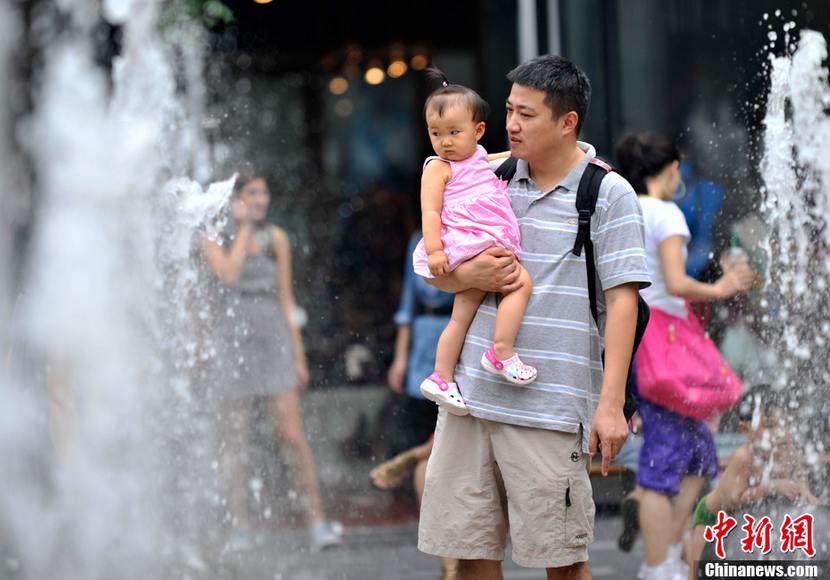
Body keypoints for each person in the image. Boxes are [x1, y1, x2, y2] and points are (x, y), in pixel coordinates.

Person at [418, 55, 651, 579]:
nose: (510, 124)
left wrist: (610, 406)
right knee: (468, 555)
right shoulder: (488, 176)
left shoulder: (606, 193)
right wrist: (469, 273)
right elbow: (436, 272)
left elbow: (623, 302)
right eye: (507, 110)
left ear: (568, 121)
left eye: (526, 114)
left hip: (548, 405)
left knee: (561, 561)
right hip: (469, 401)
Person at [614, 133, 755, 580]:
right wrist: (722, 287)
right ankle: (658, 567)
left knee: (697, 454)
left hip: (636, 334)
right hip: (664, 338)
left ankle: (670, 553)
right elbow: (676, 282)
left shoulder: (623, 210)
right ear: (671, 168)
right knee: (665, 458)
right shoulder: (666, 212)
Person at [202, 172, 342, 551]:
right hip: (232, 342)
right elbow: (229, 275)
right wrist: (244, 229)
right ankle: (240, 526)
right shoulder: (213, 236)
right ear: (234, 200)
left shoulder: (277, 238)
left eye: (264, 192)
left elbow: (285, 297)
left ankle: (317, 521)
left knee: (291, 435)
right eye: (252, 193)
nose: (261, 199)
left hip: (273, 339)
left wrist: (298, 354)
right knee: (237, 440)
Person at [413, 68, 536, 416]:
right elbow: (430, 211)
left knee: (462, 316)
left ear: (478, 131)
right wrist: (435, 250)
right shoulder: (438, 168)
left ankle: (441, 376)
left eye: (454, 132)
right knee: (519, 284)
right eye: (436, 133)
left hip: (484, 241)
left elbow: (502, 157)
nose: (445, 141)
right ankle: (501, 351)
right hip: (467, 245)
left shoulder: (479, 157)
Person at [688, 385, 820, 578]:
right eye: (770, 425)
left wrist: (804, 490)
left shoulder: (785, 448)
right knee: (699, 572)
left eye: (784, 423)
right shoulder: (744, 457)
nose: (780, 432)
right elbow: (732, 502)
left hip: (745, 518)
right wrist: (770, 486)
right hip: (712, 517)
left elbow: (798, 468)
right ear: (746, 430)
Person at [387, 232, 454, 453]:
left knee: (447, 407)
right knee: (417, 406)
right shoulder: (417, 240)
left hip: (453, 326)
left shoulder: (463, 232)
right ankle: (414, 474)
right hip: (422, 330)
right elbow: (407, 303)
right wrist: (400, 358)